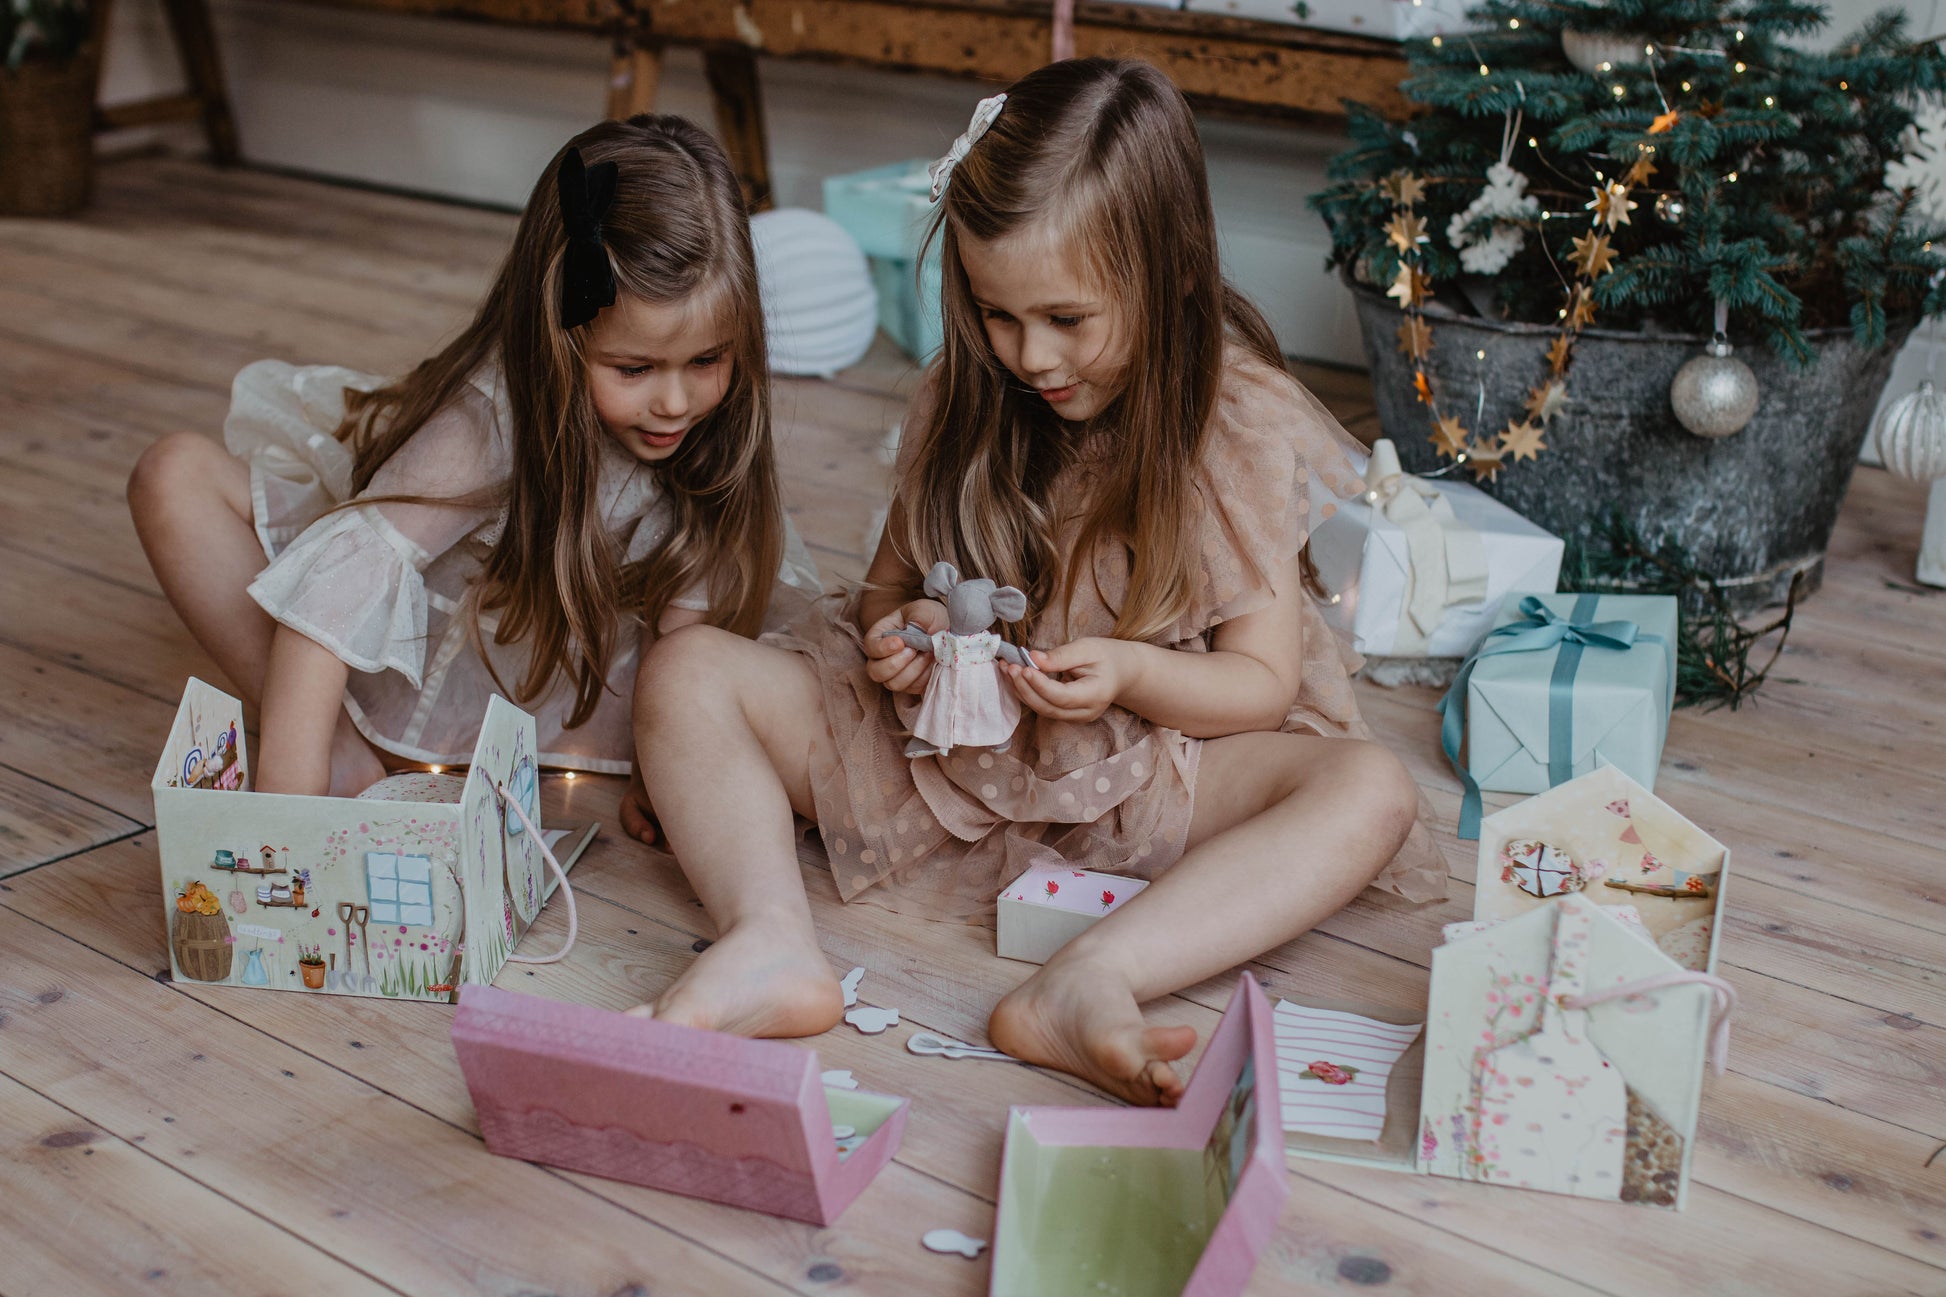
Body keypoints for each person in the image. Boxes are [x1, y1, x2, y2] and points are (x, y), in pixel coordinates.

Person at [631, 61, 1445, 1104]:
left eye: (1066, 318)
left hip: (1149, 771)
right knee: (687, 670)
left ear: (1171, 273)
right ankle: (767, 941)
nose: (1030, 355)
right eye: (997, 314)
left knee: (1362, 791)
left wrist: (1128, 673)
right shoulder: (970, 392)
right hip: (941, 755)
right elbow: (882, 592)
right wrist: (905, 629)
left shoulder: (1229, 421)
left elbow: (1257, 686)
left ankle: (1091, 977)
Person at [128, 116, 819, 812]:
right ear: (559, 338)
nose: (675, 401)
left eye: (707, 359)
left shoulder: (717, 420)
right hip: (398, 677)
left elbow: (686, 625)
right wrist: (286, 813)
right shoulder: (490, 421)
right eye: (634, 368)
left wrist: (665, 767)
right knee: (172, 474)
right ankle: (339, 751)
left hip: (569, 716)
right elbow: (328, 601)